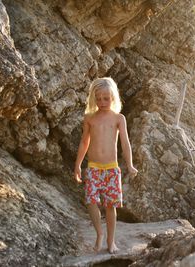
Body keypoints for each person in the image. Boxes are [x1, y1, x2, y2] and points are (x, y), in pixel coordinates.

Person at [74, 77, 138, 254]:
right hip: (93, 167)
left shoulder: (119, 118)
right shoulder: (89, 118)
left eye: (106, 98)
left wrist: (130, 165)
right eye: (99, 98)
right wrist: (78, 165)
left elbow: (125, 143)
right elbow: (84, 142)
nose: (102, 102)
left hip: (111, 168)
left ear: (113, 98)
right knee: (91, 201)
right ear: (93, 98)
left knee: (111, 206)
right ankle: (99, 234)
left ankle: (111, 241)